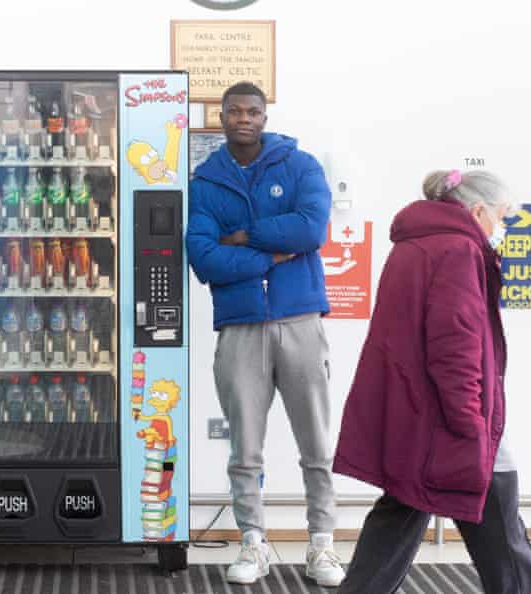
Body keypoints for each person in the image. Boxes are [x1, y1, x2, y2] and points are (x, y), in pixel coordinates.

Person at [333, 170, 531, 594]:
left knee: (404, 508)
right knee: (497, 509)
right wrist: (471, 423)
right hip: (450, 413)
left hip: (417, 413)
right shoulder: (459, 250)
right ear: (479, 210)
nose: (500, 230)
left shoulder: (416, 242)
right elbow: (456, 345)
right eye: (501, 218)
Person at [186, 81, 344, 587]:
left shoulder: (300, 166)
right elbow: (205, 258)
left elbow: (310, 230)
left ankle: (322, 545)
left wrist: (244, 236)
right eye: (235, 111)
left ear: (265, 115)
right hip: (240, 328)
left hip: (300, 321)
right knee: (245, 450)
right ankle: (253, 542)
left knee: (316, 446)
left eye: (253, 111)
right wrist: (270, 250)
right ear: (222, 116)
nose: (244, 119)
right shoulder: (205, 181)